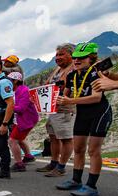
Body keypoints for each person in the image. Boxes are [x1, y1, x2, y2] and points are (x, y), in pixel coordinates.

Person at [56, 42, 113, 196]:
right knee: (79, 149)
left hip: (99, 112)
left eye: (82, 58)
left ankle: (91, 186)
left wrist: (70, 101)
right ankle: (76, 180)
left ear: (91, 58)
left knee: (93, 150)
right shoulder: (72, 75)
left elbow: (96, 97)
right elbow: (65, 95)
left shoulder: (96, 72)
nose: (77, 60)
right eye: (75, 58)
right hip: (82, 113)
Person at [37, 44, 76, 177]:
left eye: (61, 54)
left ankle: (61, 167)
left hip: (65, 109)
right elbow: (48, 83)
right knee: (53, 137)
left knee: (66, 138)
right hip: (53, 109)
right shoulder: (58, 69)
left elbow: (70, 88)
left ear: (71, 55)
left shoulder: (73, 69)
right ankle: (54, 162)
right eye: (57, 55)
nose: (57, 57)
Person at [6, 72, 39, 172]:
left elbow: (21, 109)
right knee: (19, 139)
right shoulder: (14, 90)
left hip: (26, 120)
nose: (7, 82)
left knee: (12, 141)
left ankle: (19, 164)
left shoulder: (23, 90)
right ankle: (28, 156)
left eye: (9, 80)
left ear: (15, 81)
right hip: (22, 119)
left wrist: (8, 106)